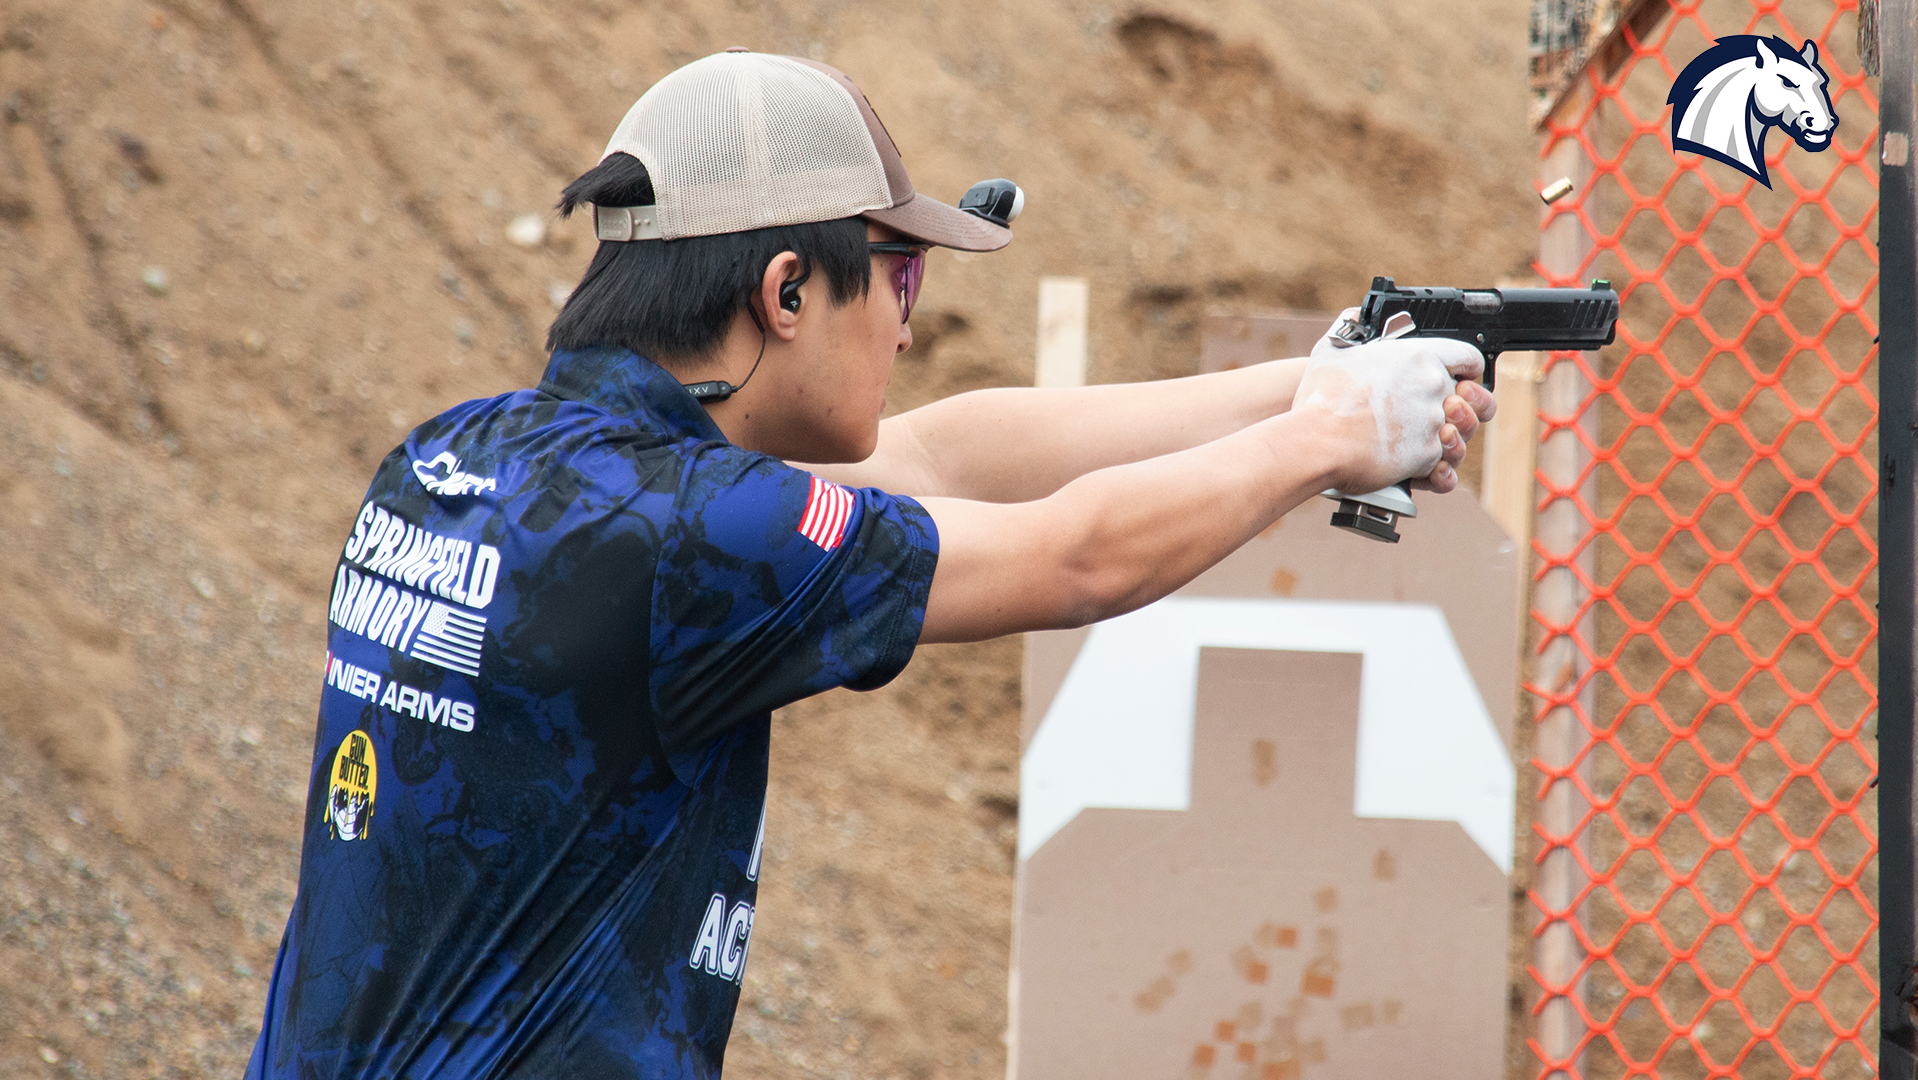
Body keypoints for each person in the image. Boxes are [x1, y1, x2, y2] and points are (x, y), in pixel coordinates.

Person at [245, 49, 1493, 1079]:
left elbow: (948, 452)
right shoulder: (699, 533)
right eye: (896, 274)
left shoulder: (461, 455)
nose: (909, 317)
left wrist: (1305, 384)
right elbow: (1077, 559)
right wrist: (1329, 441)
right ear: (787, 290)